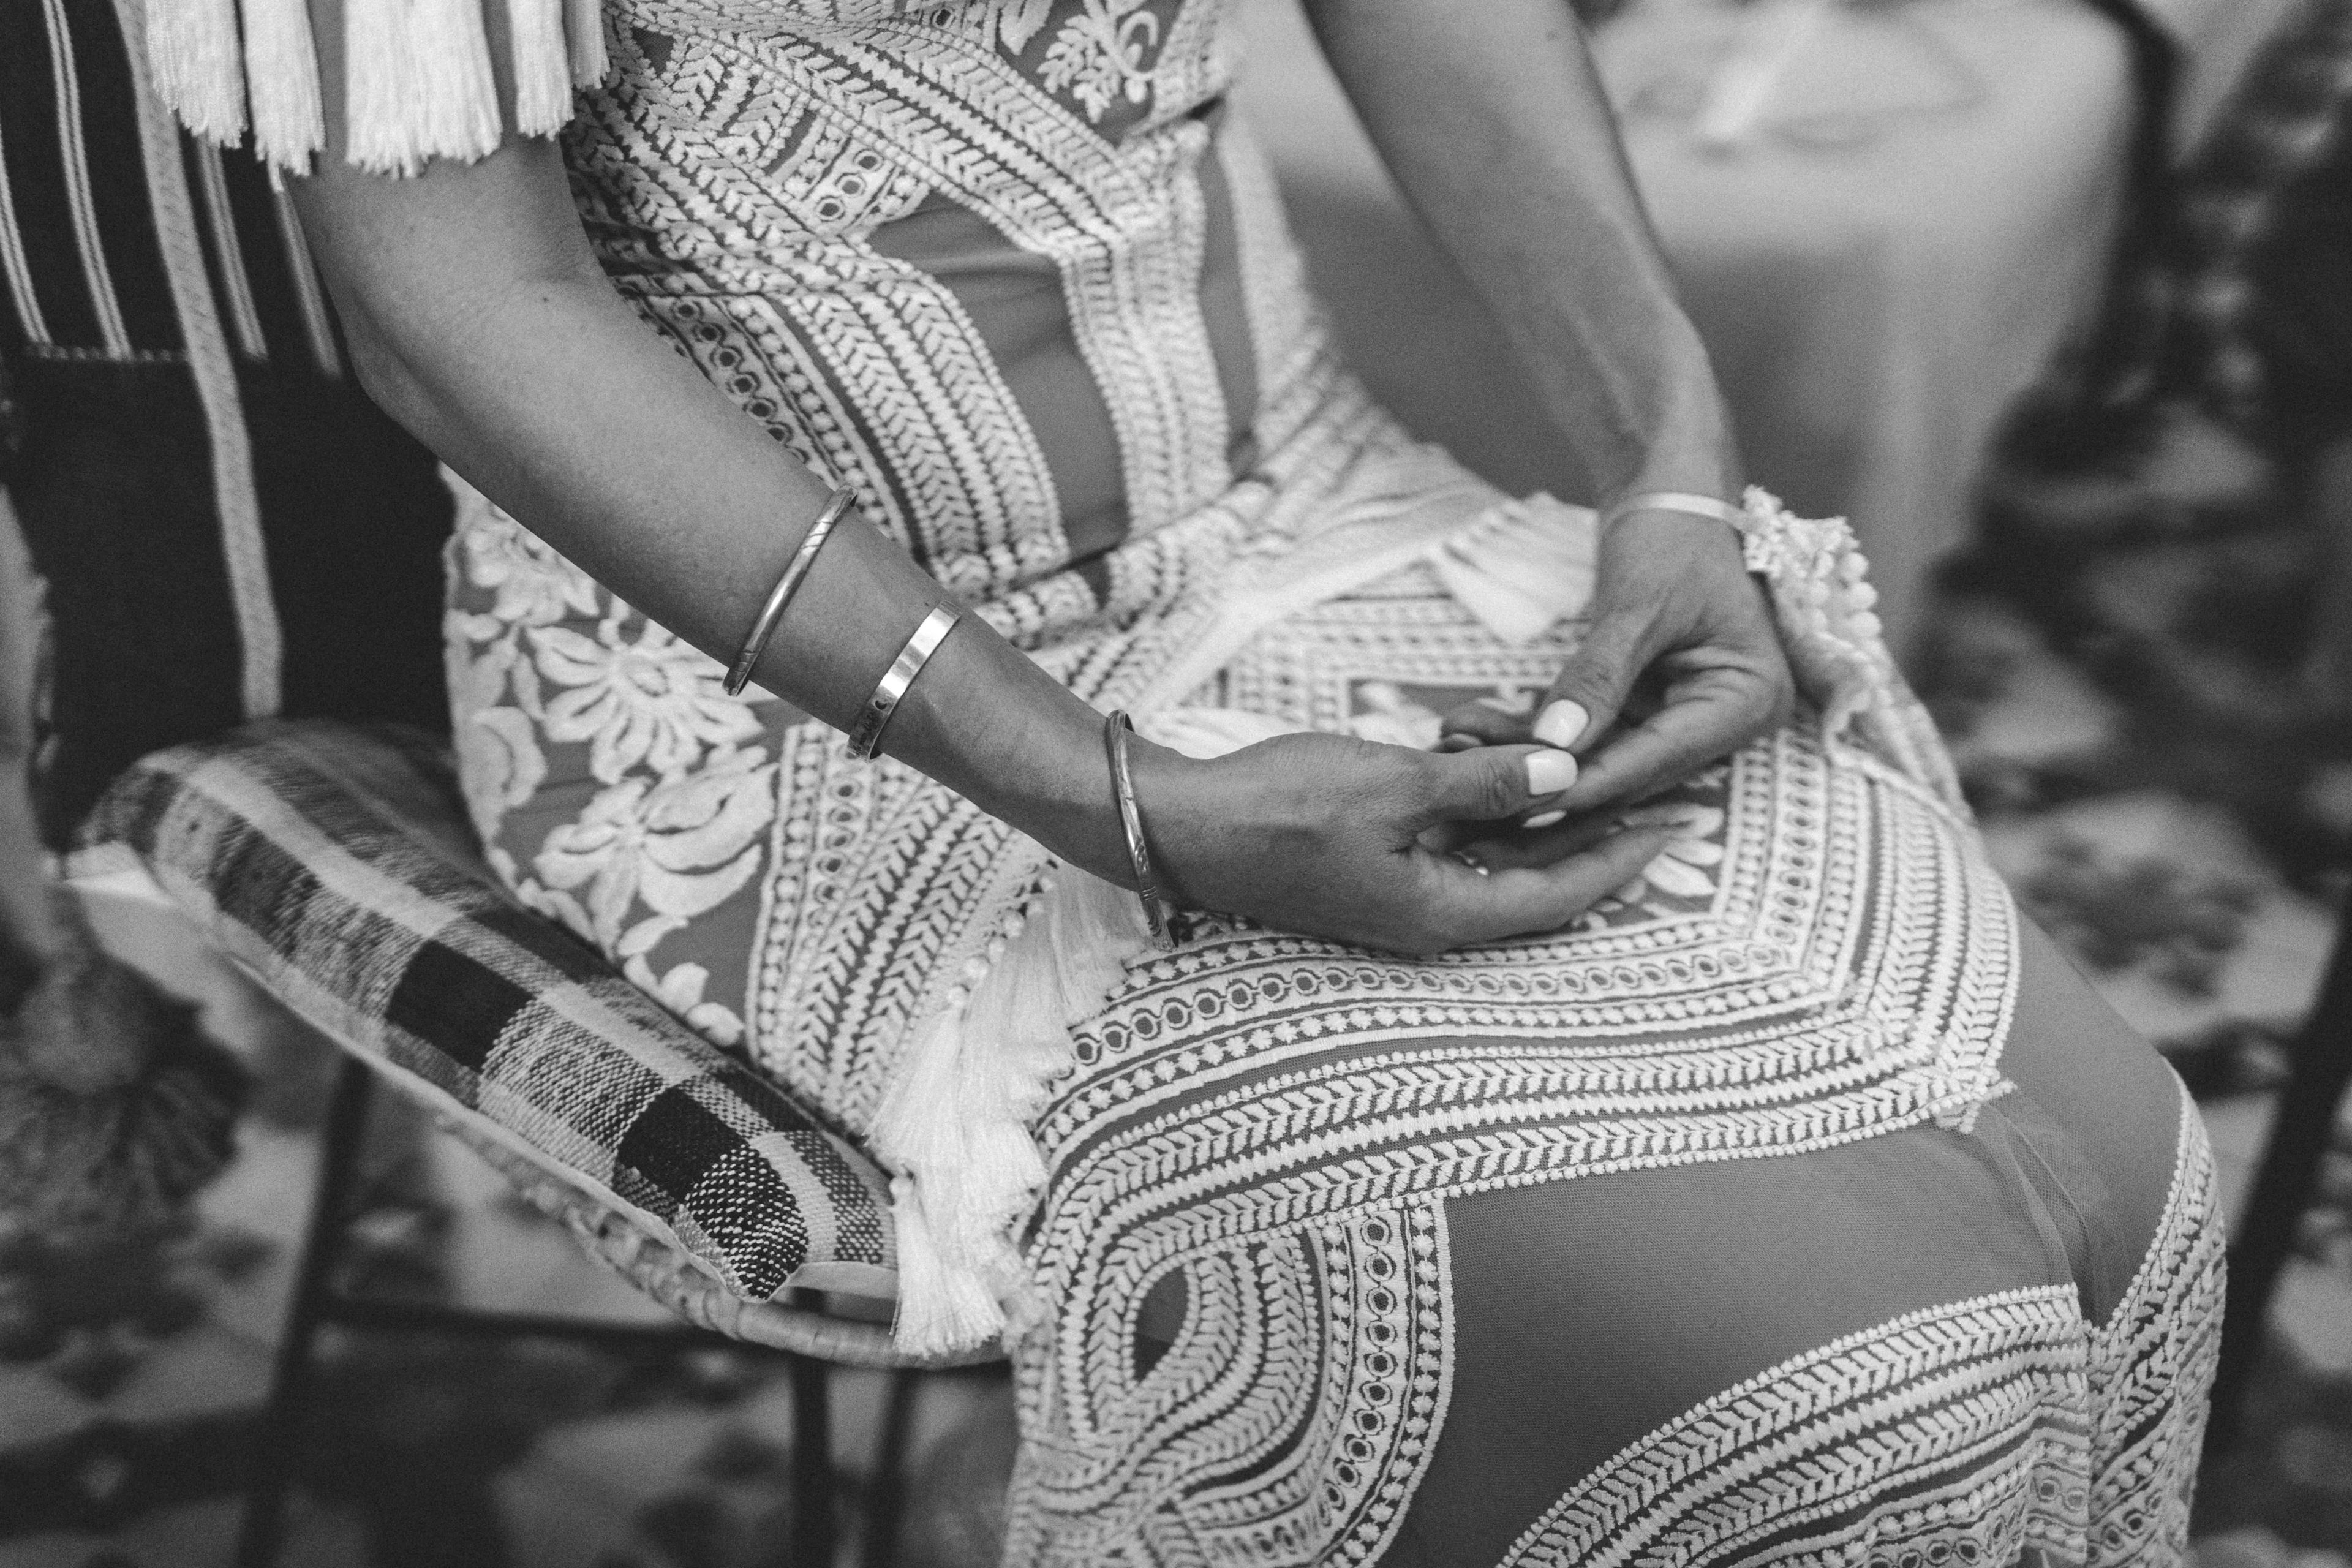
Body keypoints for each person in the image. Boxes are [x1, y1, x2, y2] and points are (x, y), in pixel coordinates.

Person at [144, 0, 2219, 1560]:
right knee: (1789, 1379)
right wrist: (1106, 795)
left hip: (1324, 512)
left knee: (2125, 1178)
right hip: (805, 725)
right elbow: (462, 303)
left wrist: (1667, 464)